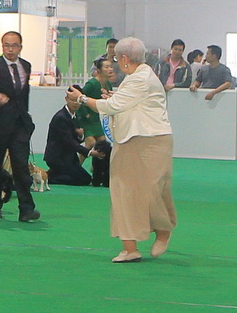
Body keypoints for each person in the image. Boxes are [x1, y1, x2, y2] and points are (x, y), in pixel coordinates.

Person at [67, 37, 175, 264]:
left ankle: (163, 228)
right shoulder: (136, 78)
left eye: (116, 59)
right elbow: (123, 104)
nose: (115, 63)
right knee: (122, 192)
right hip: (128, 141)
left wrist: (81, 98)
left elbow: (112, 107)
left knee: (151, 191)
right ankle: (129, 247)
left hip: (151, 142)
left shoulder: (141, 78)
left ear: (124, 58)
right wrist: (114, 99)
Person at [0, 31, 41, 223]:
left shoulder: (26, 66)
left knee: (21, 166)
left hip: (19, 125)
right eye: (7, 45)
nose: (10, 49)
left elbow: (23, 96)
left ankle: (26, 209)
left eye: (14, 45)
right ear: (2, 46)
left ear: (20, 47)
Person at [43, 99, 107, 188]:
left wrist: (80, 136)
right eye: (72, 100)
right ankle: (48, 177)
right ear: (66, 99)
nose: (75, 103)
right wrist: (90, 153)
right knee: (83, 180)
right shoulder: (61, 117)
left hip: (68, 158)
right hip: (57, 158)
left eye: (77, 101)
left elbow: (73, 140)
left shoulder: (74, 116)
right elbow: (69, 142)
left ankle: (54, 172)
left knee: (86, 178)